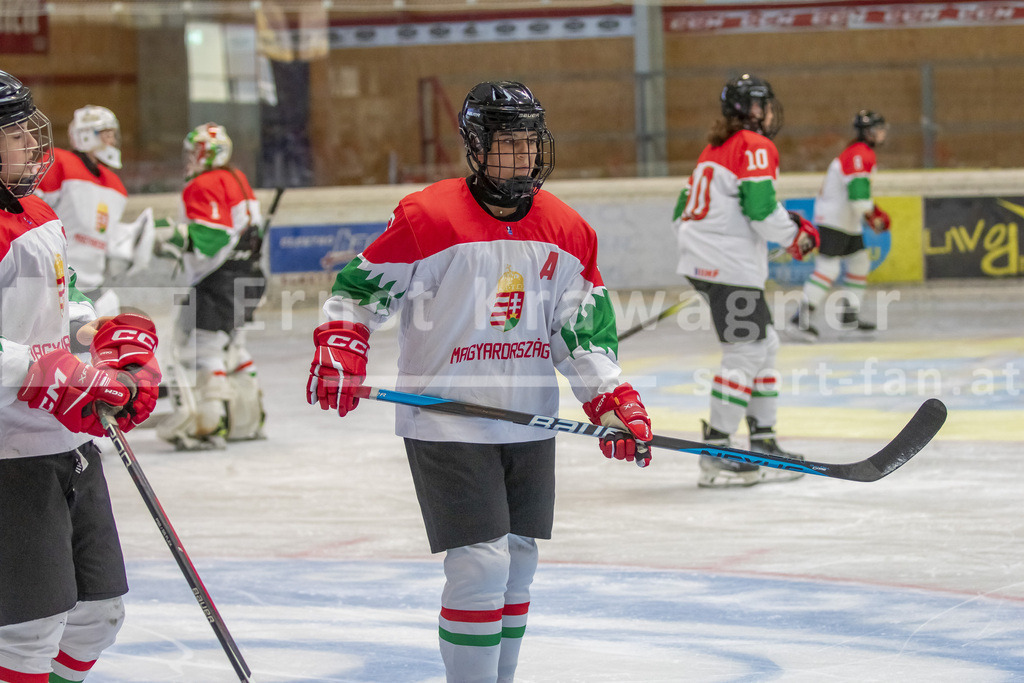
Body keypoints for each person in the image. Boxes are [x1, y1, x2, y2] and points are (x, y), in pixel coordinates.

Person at [306, 80, 653, 682]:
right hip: (447, 415)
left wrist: (610, 400)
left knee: (518, 561)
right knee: (481, 566)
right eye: (506, 144)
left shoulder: (568, 229)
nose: (521, 157)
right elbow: (359, 292)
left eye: (529, 143)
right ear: (475, 145)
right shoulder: (428, 217)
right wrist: (342, 346)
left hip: (527, 416)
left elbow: (578, 328)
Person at [0, 70, 162, 683]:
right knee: (26, 631)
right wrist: (51, 375)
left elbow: (64, 293)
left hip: (66, 442)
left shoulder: (35, 208)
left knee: (98, 613)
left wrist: (101, 338)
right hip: (8, 454)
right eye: (13, 132)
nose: (32, 143)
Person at [672, 73, 819, 489]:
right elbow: (759, 210)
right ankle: (717, 452)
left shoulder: (715, 148)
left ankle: (763, 440)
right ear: (754, 110)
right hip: (728, 267)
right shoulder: (755, 145)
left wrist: (701, 259)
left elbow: (682, 211)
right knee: (746, 350)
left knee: (763, 344)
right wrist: (795, 237)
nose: (772, 112)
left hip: (719, 264)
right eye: (766, 104)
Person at [154, 122, 267, 450]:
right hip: (251, 274)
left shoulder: (203, 183)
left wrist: (168, 235)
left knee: (203, 349)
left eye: (193, 151)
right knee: (234, 347)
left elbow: (211, 236)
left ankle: (210, 422)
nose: (189, 158)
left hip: (219, 280)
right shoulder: (237, 177)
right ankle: (249, 419)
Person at [35, 105, 154, 317]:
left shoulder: (115, 184)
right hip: (53, 285)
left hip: (94, 288)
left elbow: (103, 236)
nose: (112, 141)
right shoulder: (58, 162)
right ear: (86, 135)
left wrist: (130, 243)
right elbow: (30, 212)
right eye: (107, 134)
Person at [790, 110, 890, 341]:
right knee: (828, 269)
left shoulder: (858, 152)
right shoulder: (860, 154)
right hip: (834, 221)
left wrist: (869, 214)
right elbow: (858, 197)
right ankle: (800, 318)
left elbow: (857, 198)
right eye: (878, 128)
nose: (882, 133)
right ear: (868, 132)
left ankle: (848, 316)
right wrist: (874, 216)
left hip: (843, 221)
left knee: (859, 262)